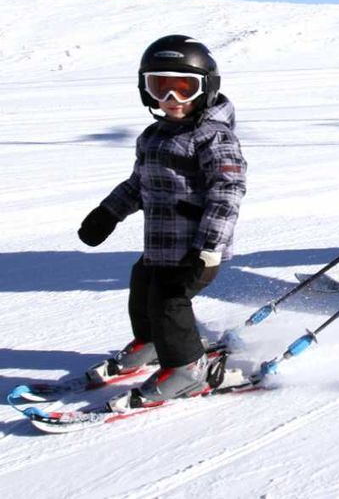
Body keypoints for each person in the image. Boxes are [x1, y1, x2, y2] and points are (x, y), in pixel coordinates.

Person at [77, 35, 246, 409]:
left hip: (196, 250)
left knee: (169, 301)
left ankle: (186, 368)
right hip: (160, 246)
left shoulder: (214, 138)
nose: (171, 101)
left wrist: (208, 247)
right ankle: (153, 342)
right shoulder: (153, 136)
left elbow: (227, 192)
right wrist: (107, 213)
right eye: (160, 87)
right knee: (142, 288)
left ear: (206, 88)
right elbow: (140, 184)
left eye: (183, 88)